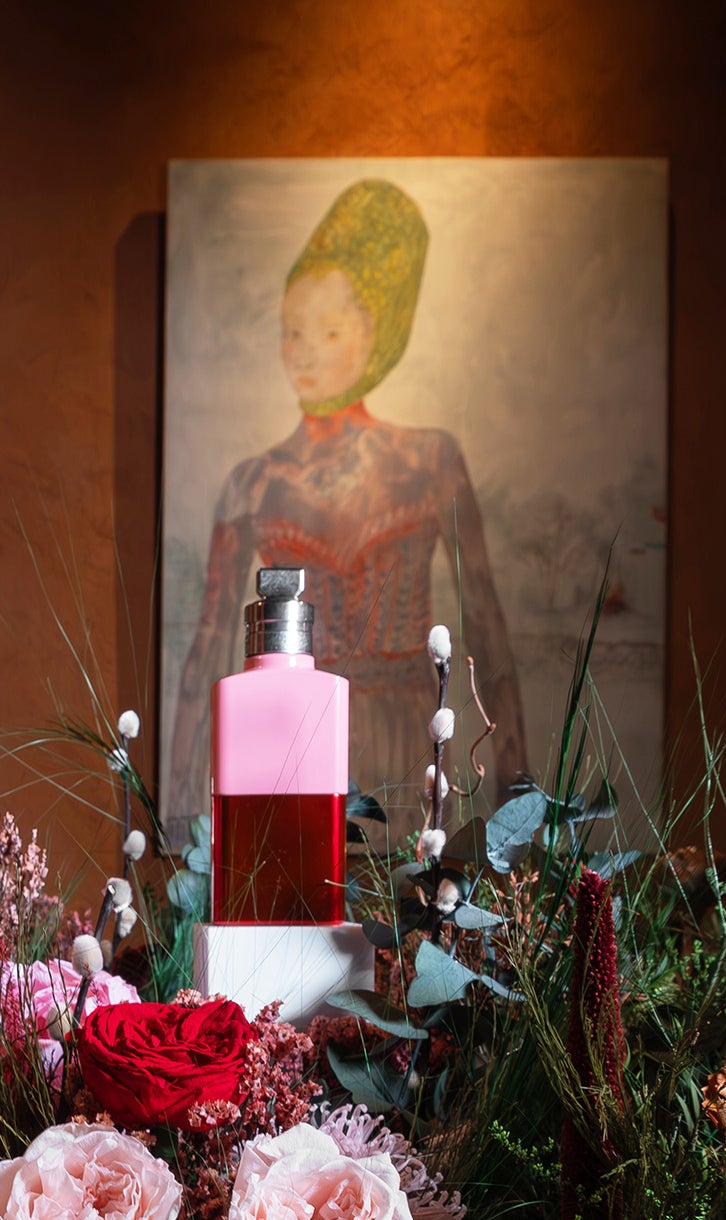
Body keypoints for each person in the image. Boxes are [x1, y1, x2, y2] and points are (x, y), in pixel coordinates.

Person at [169, 178, 528, 820]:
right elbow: (203, 661)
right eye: (292, 332)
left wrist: (519, 804)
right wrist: (177, 826)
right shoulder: (254, 480)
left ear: (375, 331)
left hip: (412, 746)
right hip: (295, 743)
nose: (304, 354)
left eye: (328, 332)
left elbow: (489, 634)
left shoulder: (431, 460)